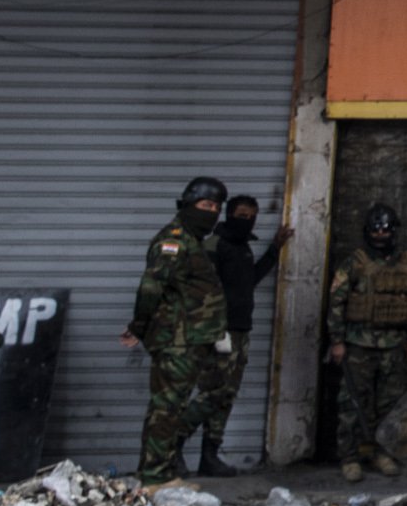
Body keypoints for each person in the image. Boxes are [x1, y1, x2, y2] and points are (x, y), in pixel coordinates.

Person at [120, 176, 231, 484]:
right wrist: (139, 327)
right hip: (176, 341)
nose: (212, 212)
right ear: (187, 204)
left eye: (216, 207)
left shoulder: (191, 240)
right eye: (205, 205)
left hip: (193, 339)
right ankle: (154, 476)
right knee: (166, 408)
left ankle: (162, 470)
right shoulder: (174, 240)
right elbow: (151, 287)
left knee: (176, 405)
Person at [191, 193, 291, 476]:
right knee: (211, 393)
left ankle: (209, 456)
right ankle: (172, 446)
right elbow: (202, 291)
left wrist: (274, 249)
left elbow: (250, 280)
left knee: (226, 395)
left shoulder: (243, 248)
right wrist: (212, 330)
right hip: (218, 333)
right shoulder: (214, 245)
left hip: (240, 331)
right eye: (241, 215)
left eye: (251, 217)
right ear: (228, 214)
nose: (246, 221)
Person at [326, 203, 407, 480]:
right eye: (375, 230)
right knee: (352, 404)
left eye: (385, 229)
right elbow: (336, 303)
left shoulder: (404, 263)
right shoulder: (353, 263)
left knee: (389, 406)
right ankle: (349, 457)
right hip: (359, 344)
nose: (380, 234)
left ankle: (382, 454)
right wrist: (337, 341)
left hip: (394, 345)